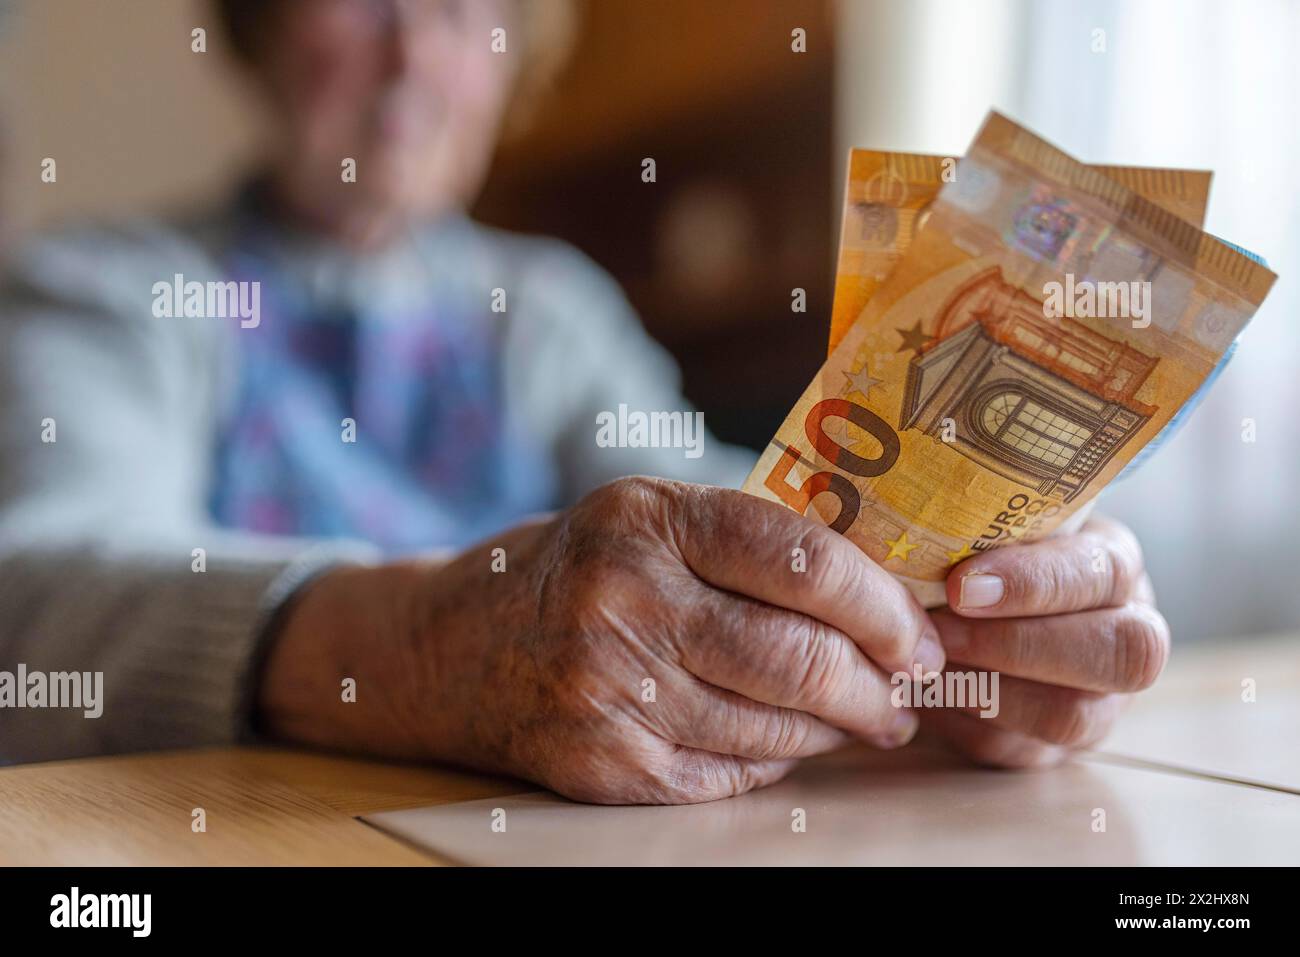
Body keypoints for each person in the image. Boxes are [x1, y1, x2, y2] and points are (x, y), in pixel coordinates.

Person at [0, 0, 1169, 802]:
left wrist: (951, 607)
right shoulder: (109, 285)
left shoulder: (544, 309)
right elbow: (35, 591)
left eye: (469, 11)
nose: (415, 57)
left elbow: (721, 507)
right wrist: (418, 646)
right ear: (257, 27)